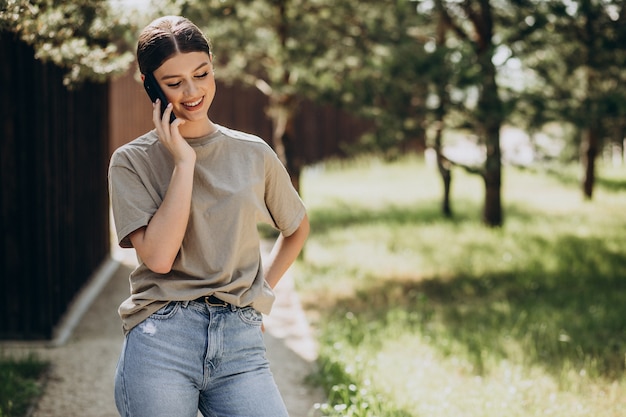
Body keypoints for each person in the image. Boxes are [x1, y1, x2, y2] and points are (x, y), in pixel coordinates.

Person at [108, 15, 309, 417]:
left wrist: (259, 294)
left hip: (240, 342)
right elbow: (160, 258)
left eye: (201, 73)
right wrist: (183, 163)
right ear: (151, 86)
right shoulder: (131, 162)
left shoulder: (253, 152)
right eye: (174, 82)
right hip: (161, 338)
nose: (193, 91)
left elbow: (296, 227)